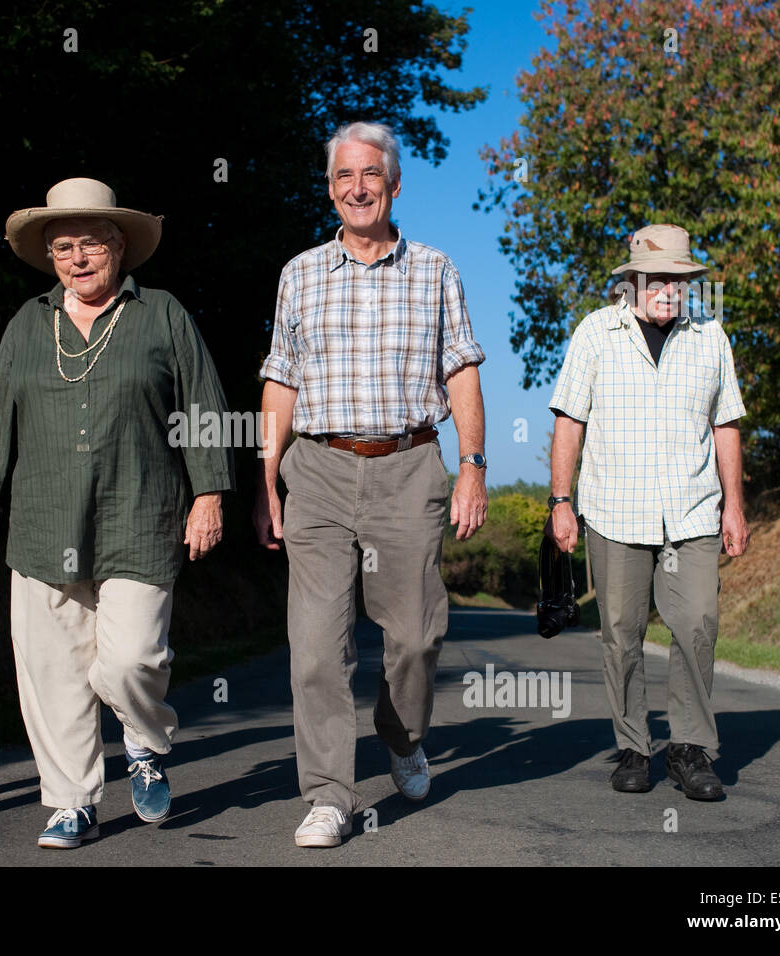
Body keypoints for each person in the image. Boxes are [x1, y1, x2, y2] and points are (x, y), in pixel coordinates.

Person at [0, 178, 234, 849]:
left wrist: (210, 494)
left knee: (131, 659)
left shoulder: (162, 315)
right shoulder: (26, 322)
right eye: (63, 246)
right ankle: (72, 802)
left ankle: (145, 741)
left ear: (120, 247)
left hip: (140, 513)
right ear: (50, 256)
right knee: (51, 671)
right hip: (43, 520)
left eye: (91, 244)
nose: (77, 258)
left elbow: (205, 407)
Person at [253, 122, 488, 848]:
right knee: (318, 646)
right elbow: (280, 379)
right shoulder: (299, 272)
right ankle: (329, 794)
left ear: (392, 185)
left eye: (371, 175)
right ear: (331, 189)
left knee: (416, 635)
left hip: (410, 464)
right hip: (318, 470)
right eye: (344, 176)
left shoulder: (437, 269)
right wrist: (265, 477)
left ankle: (400, 732)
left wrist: (473, 464)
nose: (358, 187)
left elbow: (462, 370)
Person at [548, 224, 748, 801]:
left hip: (692, 512)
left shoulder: (710, 335)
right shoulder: (596, 333)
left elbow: (726, 423)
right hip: (615, 510)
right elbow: (569, 421)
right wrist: (562, 501)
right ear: (631, 281)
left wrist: (734, 505)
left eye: (681, 280)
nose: (670, 290)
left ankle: (688, 749)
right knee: (621, 633)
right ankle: (634, 746)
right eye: (658, 280)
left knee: (697, 627)